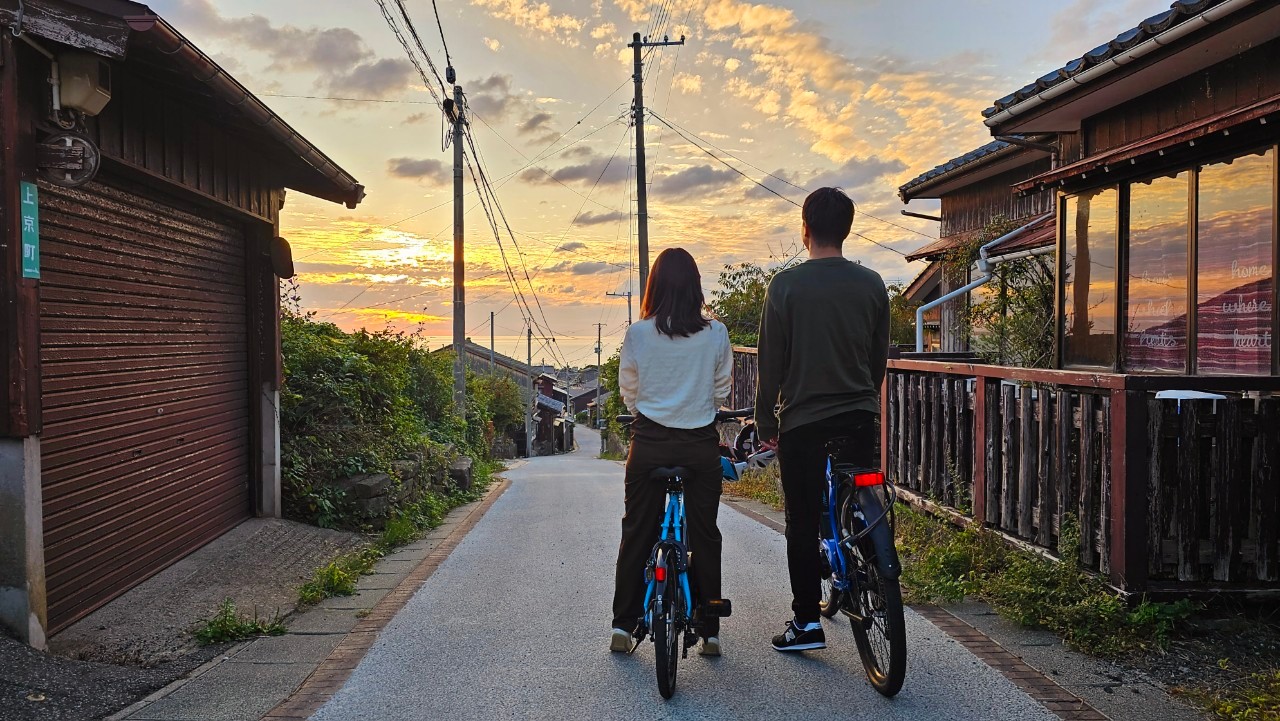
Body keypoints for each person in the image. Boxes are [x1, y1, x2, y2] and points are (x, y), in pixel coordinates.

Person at [754, 187, 889, 652]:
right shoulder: (872, 284)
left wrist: (766, 425)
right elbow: (877, 359)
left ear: (805, 229)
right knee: (864, 498)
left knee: (803, 518)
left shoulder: (785, 286)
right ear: (847, 230)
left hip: (803, 421)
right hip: (859, 413)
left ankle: (807, 622)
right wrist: (864, 396)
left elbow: (770, 363)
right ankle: (876, 580)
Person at [610, 248, 733, 657]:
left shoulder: (638, 334)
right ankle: (710, 631)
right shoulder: (716, 333)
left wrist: (649, 413)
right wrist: (697, 409)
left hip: (648, 443)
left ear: (655, 286)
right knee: (705, 534)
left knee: (637, 531)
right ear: (696, 287)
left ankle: (623, 625)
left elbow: (630, 390)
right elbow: (721, 388)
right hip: (699, 445)